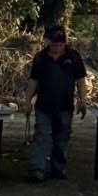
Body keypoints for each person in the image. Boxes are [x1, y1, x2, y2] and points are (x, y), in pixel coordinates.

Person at [26, 26, 88, 182]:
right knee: (42, 136)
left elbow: (81, 80)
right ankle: (37, 169)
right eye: (54, 45)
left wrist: (83, 100)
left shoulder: (73, 57)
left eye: (60, 45)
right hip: (44, 105)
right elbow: (33, 81)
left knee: (62, 138)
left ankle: (58, 169)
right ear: (48, 42)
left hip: (65, 105)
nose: (57, 48)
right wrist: (27, 101)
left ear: (65, 43)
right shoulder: (41, 58)